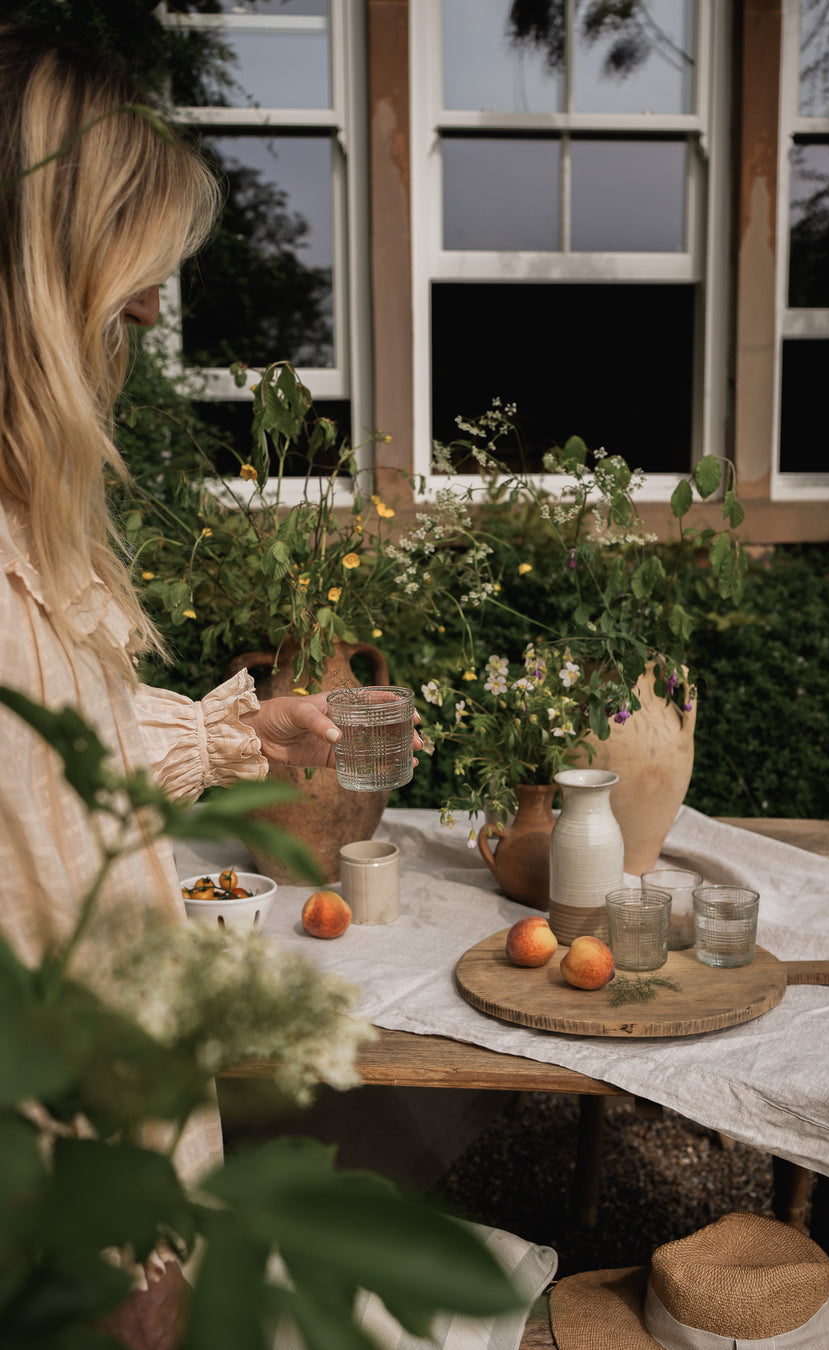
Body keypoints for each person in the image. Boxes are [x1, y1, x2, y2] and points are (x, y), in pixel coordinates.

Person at [0, 24, 417, 1175]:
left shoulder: (21, 523)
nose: (144, 321)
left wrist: (229, 728)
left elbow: (48, 772)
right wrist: (108, 1250)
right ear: (38, 270)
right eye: (126, 285)